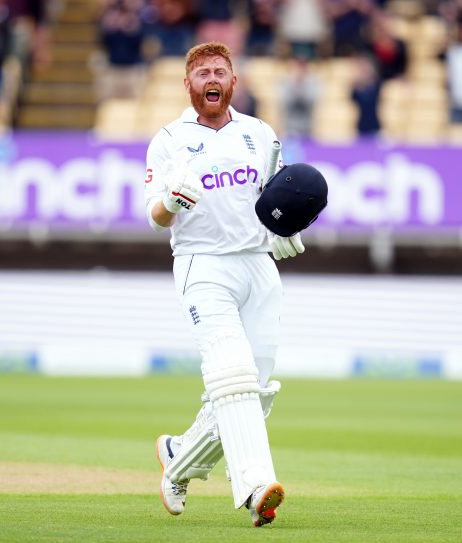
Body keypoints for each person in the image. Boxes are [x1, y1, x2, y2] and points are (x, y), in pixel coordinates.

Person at [144, 41, 307, 528]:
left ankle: (179, 456)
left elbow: (275, 199)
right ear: (189, 84)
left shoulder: (260, 134)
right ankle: (257, 487)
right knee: (232, 375)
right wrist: (171, 200)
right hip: (203, 265)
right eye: (202, 73)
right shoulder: (170, 139)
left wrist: (286, 229)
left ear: (233, 82)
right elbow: (154, 217)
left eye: (220, 71)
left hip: (258, 267)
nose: (211, 78)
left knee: (254, 390)